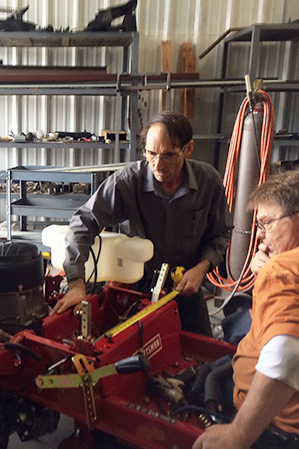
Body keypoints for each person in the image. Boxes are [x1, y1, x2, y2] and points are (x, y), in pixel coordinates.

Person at [52, 111, 233, 337]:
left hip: (184, 288)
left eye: (168, 155)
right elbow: (83, 222)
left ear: (188, 149)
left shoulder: (208, 182)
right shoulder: (127, 182)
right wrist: (76, 284)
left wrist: (201, 268)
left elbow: (220, 235)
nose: (157, 165)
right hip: (134, 287)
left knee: (202, 356)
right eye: (151, 153)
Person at [193, 170, 299, 448]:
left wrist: (237, 436)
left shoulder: (282, 270)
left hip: (274, 426)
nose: (260, 238)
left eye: (267, 224)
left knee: (194, 389)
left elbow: (287, 354)